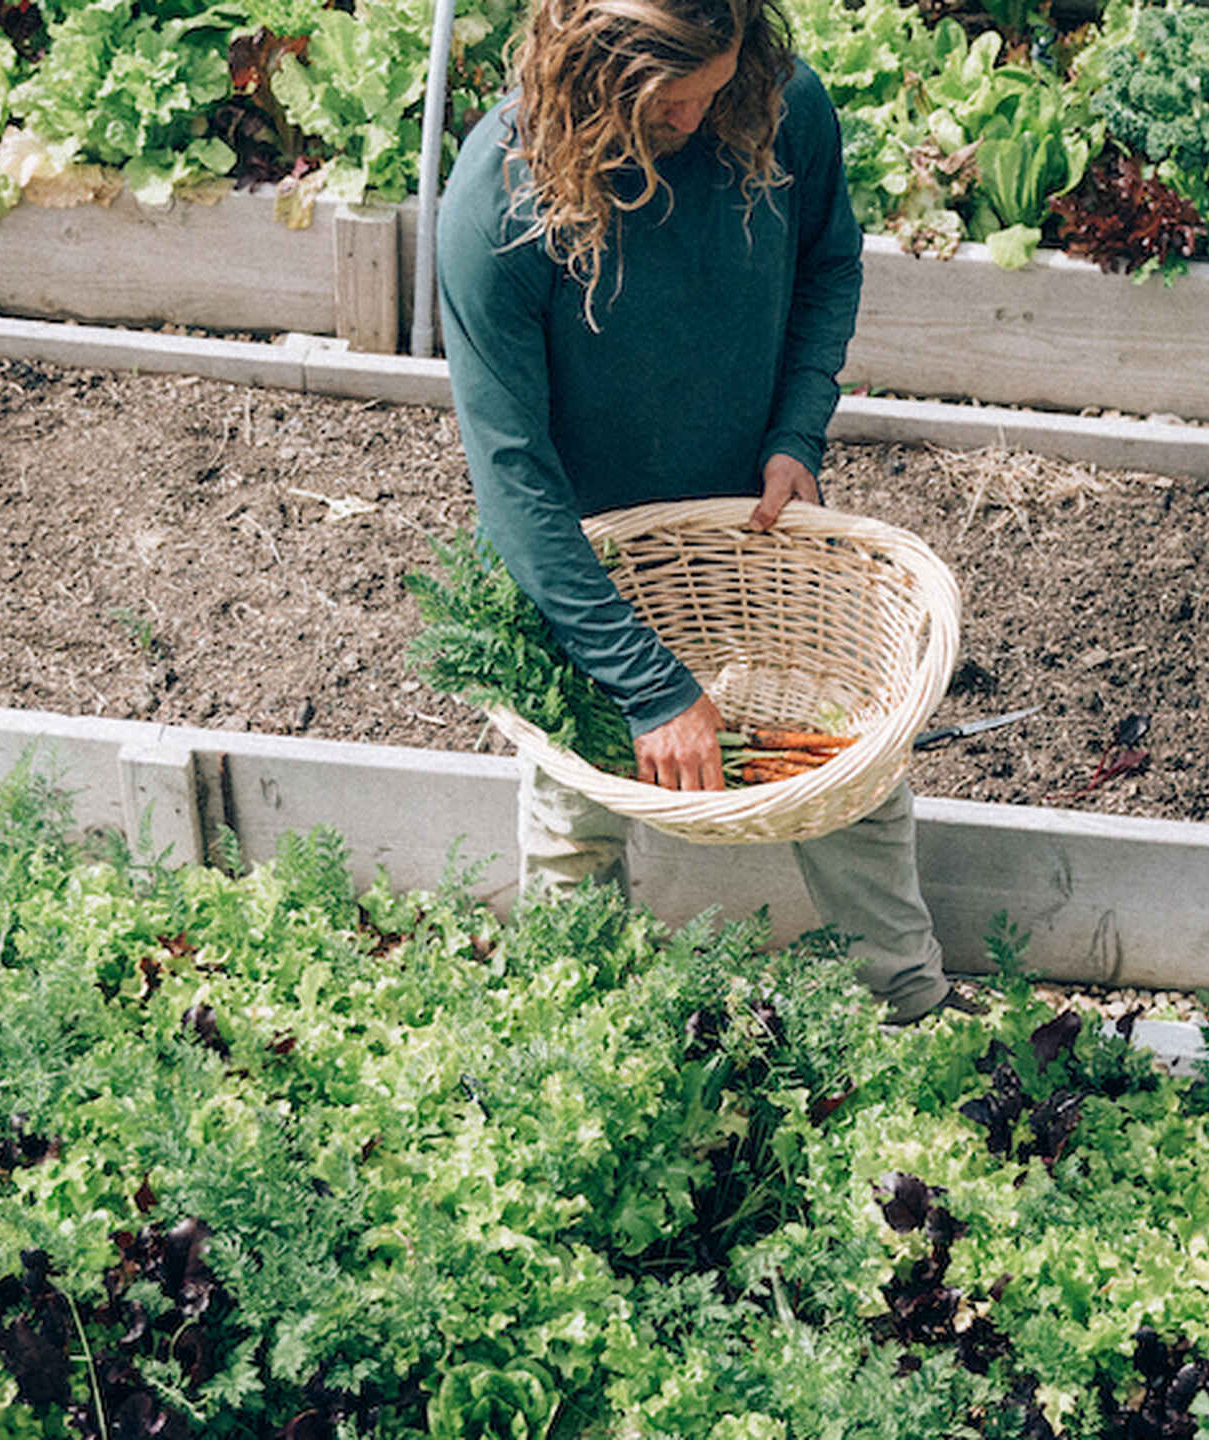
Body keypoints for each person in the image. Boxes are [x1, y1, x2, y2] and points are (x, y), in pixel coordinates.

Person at [437, 0, 965, 1022]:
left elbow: (827, 264)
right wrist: (642, 683)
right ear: (592, 79)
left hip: (751, 539)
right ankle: (574, 1026)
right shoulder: (499, 202)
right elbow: (513, 476)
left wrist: (795, 436)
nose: (699, 119)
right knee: (578, 814)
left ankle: (907, 1010)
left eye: (716, 89)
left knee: (848, 781)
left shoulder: (773, 107)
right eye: (672, 104)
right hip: (593, 566)